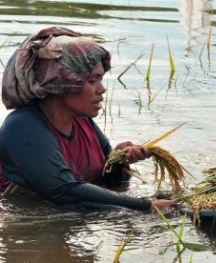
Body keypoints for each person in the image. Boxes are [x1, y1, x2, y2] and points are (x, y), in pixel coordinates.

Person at [0, 26, 176, 212]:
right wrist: (146, 207)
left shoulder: (82, 122)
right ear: (62, 83)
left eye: (100, 80)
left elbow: (108, 182)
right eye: (92, 81)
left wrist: (119, 161)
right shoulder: (23, 126)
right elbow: (63, 191)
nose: (101, 89)